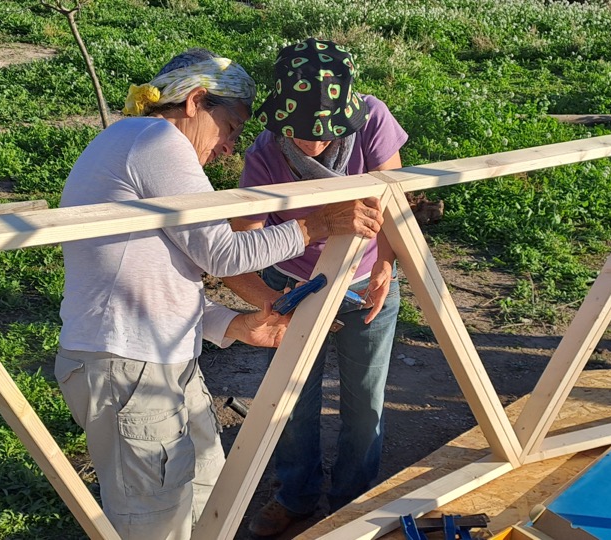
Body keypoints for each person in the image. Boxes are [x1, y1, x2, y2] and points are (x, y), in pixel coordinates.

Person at [53, 48, 384, 540]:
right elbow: (222, 254)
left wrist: (232, 324)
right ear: (195, 101)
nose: (229, 147)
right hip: (126, 366)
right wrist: (315, 225)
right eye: (230, 127)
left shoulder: (136, 145)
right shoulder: (155, 139)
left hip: (156, 359)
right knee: (155, 522)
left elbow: (162, 277)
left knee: (209, 496)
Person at [221, 38, 409, 537]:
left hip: (366, 283)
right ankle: (295, 496)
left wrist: (386, 265)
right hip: (295, 285)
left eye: (325, 133)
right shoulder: (266, 153)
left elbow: (394, 205)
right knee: (291, 399)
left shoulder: (372, 119)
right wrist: (270, 302)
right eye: (301, 134)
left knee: (365, 399)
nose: (313, 144)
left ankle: (352, 503)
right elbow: (241, 245)